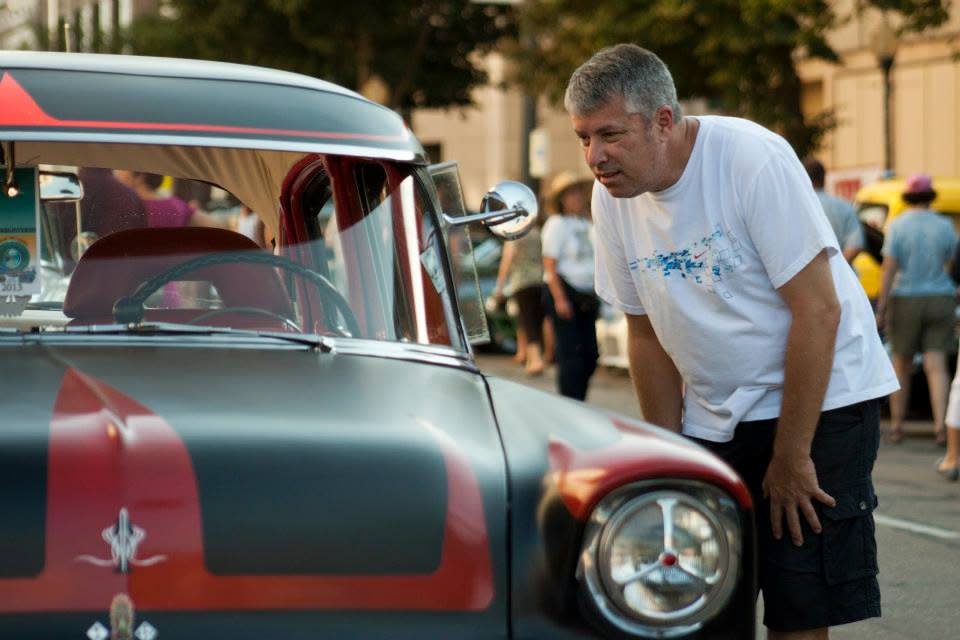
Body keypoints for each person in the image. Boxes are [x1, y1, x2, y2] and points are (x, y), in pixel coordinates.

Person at [567, 44, 898, 638]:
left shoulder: (751, 158)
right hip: (714, 411)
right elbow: (645, 335)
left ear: (663, 120)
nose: (595, 156)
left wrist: (792, 456)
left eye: (609, 134)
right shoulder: (611, 195)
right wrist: (670, 458)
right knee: (697, 591)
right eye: (583, 137)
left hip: (821, 402)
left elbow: (818, 310)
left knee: (799, 596)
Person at [876, 173, 957, 445]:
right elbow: (952, 264)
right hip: (941, 297)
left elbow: (889, 267)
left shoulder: (898, 226)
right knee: (937, 365)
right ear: (930, 195)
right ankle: (941, 428)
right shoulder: (945, 226)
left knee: (902, 363)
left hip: (905, 297)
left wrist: (882, 307)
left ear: (908, 196)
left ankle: (898, 425)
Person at [542, 171, 599, 400]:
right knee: (570, 355)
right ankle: (571, 400)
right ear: (561, 199)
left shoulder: (585, 223)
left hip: (586, 294)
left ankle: (579, 398)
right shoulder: (557, 224)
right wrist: (560, 299)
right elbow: (550, 264)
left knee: (590, 354)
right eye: (570, 194)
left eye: (578, 193)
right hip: (565, 291)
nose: (576, 198)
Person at [494, 222, 546, 376]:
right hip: (540, 279)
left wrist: (500, 285)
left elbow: (508, 258)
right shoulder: (536, 231)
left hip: (522, 281)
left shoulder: (513, 233)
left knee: (527, 320)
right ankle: (529, 357)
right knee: (535, 321)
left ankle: (535, 360)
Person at [803, 158, 864, 263]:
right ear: (823, 178)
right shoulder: (845, 207)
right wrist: (836, 267)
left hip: (808, 277)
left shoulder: (800, 208)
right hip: (842, 278)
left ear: (803, 178)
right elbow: (855, 246)